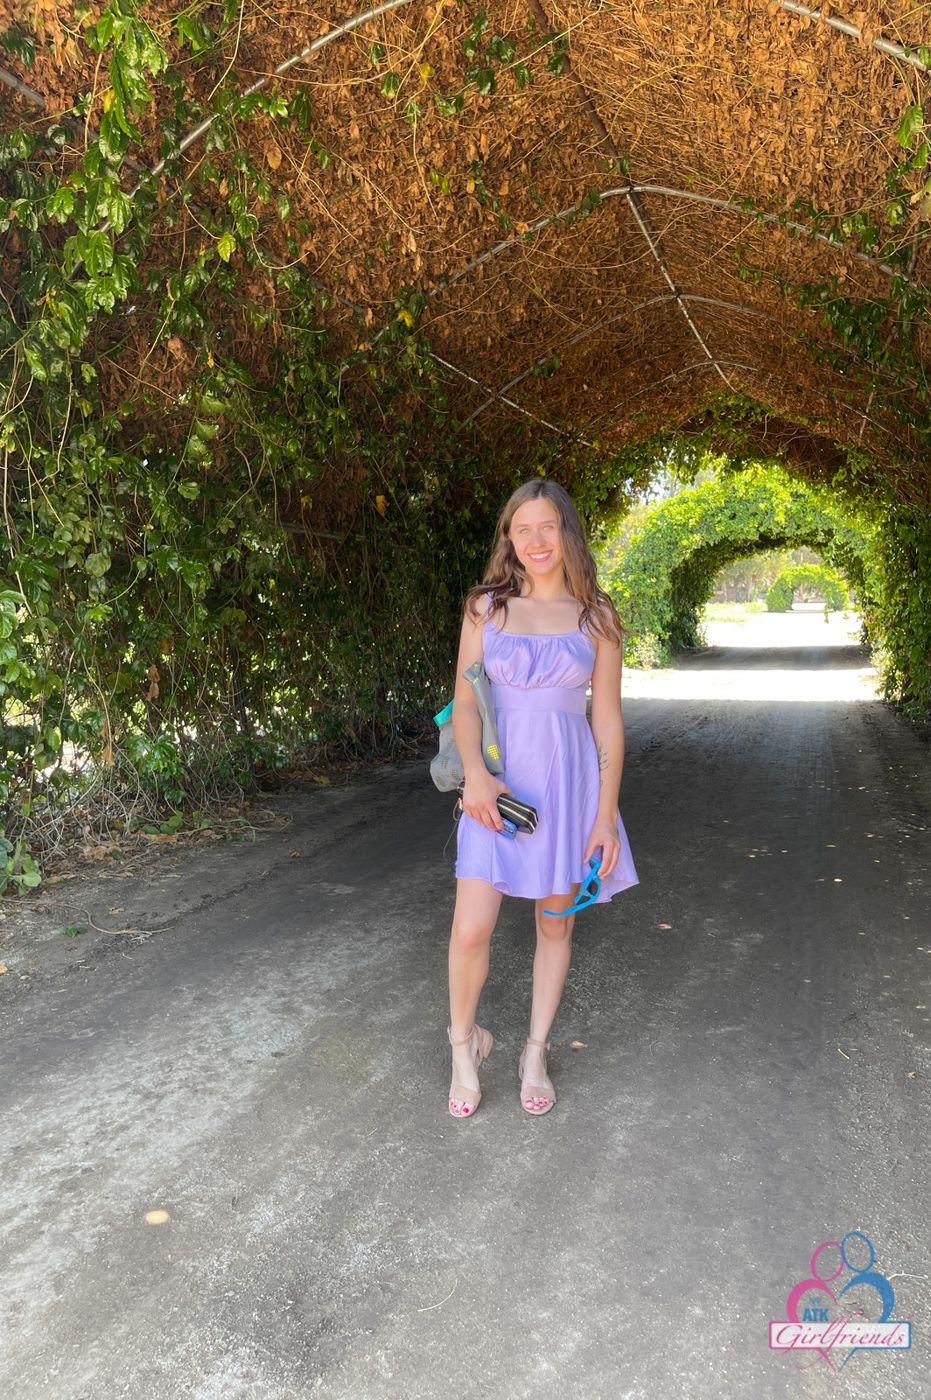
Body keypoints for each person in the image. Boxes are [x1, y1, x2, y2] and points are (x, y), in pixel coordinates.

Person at [446, 477, 639, 1119]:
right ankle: (464, 1046)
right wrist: (475, 776)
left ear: (567, 534)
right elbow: (465, 704)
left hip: (567, 788)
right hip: (494, 788)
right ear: (509, 537)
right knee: (471, 927)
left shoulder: (597, 616)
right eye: (522, 528)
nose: (536, 541)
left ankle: (535, 1052)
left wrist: (604, 818)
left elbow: (607, 720)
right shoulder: (484, 609)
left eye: (547, 527)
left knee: (555, 923)